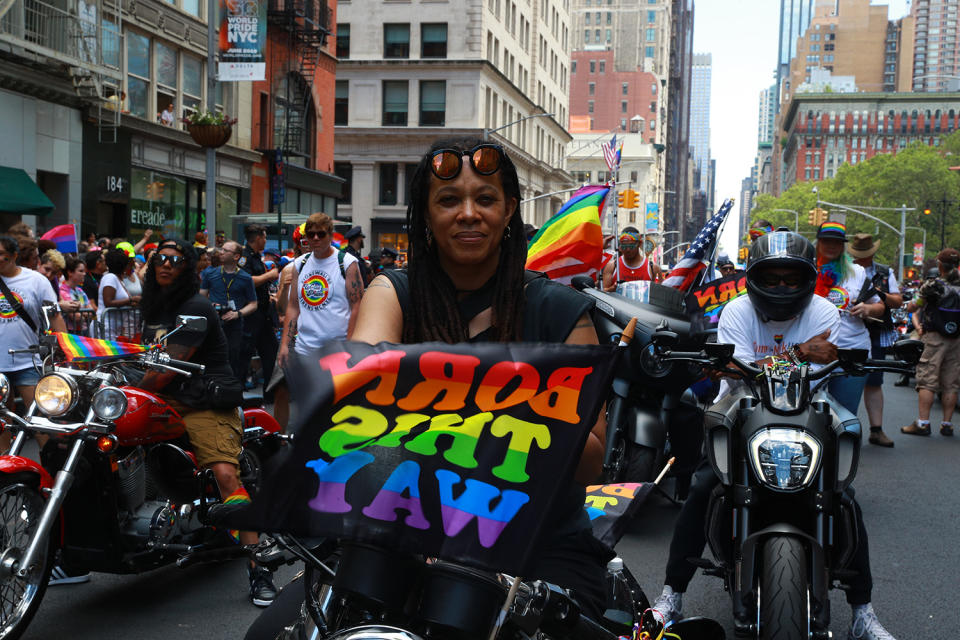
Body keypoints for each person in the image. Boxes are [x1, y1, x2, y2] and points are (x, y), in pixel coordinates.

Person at [351, 137, 610, 618]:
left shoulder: (561, 312)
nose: (468, 213)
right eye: (449, 200)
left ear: (509, 209)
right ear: (426, 214)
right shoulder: (392, 292)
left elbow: (591, 461)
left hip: (537, 538)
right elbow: (360, 393)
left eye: (485, 198)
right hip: (403, 524)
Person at [650, 230, 898, 640]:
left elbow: (815, 372)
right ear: (754, 278)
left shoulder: (823, 312)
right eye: (771, 278)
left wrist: (779, 363)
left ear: (807, 278)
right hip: (740, 407)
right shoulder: (736, 311)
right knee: (702, 488)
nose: (781, 287)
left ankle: (862, 612)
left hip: (806, 408)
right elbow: (737, 372)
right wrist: (799, 353)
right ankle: (671, 597)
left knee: (843, 496)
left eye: (791, 279)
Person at [139, 238, 276, 606]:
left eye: (175, 260)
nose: (165, 264)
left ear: (188, 268)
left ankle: (259, 567)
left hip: (202, 400)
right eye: (159, 259)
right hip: (161, 400)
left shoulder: (195, 306)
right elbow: (141, 354)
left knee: (225, 474)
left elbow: (163, 369)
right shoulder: (153, 305)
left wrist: (132, 385)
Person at [813, 222, 885, 416]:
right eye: (826, 241)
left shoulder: (857, 272)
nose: (831, 246)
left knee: (844, 415)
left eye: (836, 242)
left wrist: (867, 309)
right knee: (808, 412)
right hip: (812, 351)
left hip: (851, 350)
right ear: (818, 242)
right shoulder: (805, 271)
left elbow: (880, 307)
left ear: (843, 245)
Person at [0, 235, 67, 442]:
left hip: (27, 362)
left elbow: (55, 317)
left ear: (14, 256)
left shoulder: (36, 280)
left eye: (1, 254)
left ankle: (47, 468)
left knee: (39, 422)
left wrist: (68, 350)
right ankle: (5, 468)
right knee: (1, 423)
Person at [278, 213, 363, 373]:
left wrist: (350, 345)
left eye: (321, 234)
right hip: (305, 351)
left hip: (338, 352)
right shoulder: (299, 264)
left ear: (330, 235)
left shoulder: (347, 263)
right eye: (311, 234)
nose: (316, 238)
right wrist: (285, 344)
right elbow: (293, 307)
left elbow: (357, 307)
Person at [848, 233, 901, 447]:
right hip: (847, 330)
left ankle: (876, 430)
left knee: (874, 380)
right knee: (842, 378)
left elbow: (897, 300)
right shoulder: (845, 271)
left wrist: (880, 296)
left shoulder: (884, 272)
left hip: (876, 331)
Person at [900, 247, 960, 437]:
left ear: (940, 265)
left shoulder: (932, 285)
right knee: (951, 383)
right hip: (956, 338)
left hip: (934, 337)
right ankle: (947, 424)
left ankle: (923, 423)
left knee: (927, 380)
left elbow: (912, 306)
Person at [201, 241, 258, 385]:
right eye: (221, 249)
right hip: (214, 323)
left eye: (226, 250)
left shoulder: (245, 278)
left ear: (236, 256)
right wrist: (210, 305)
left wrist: (237, 313)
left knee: (233, 359)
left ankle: (231, 390)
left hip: (234, 325)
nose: (221, 252)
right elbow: (201, 297)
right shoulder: (210, 273)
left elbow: (253, 304)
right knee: (211, 357)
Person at [239, 224, 280, 399]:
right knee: (244, 353)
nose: (265, 240)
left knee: (270, 353)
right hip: (251, 315)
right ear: (257, 238)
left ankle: (270, 393)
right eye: (264, 237)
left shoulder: (256, 257)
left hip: (263, 314)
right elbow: (245, 280)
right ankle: (236, 392)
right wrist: (268, 276)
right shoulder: (244, 257)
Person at [97, 248, 139, 341]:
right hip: (106, 327)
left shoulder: (118, 279)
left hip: (115, 327)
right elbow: (108, 302)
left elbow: (123, 301)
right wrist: (132, 300)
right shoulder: (110, 277)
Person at [601, 227, 661, 291]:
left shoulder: (653, 268)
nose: (628, 250)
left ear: (639, 244)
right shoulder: (612, 266)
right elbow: (603, 292)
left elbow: (660, 293)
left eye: (631, 246)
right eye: (624, 247)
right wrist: (612, 289)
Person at [60, 255, 97, 333]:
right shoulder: (62, 291)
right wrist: (85, 313)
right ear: (70, 272)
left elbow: (91, 311)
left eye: (84, 271)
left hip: (84, 330)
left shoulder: (80, 291)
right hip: (70, 332)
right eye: (81, 271)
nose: (84, 274)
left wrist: (82, 313)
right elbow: (76, 317)